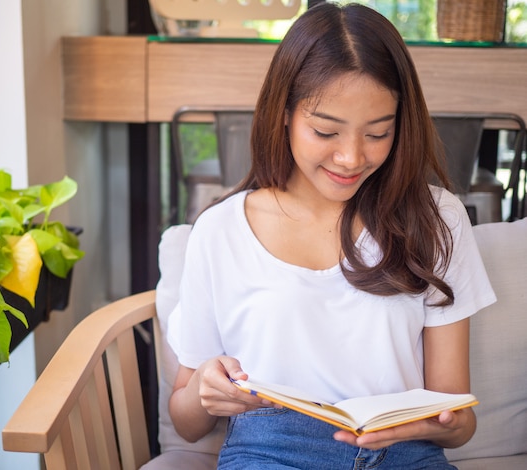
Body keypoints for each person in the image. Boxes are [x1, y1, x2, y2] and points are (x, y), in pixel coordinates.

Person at [167, 3, 497, 469]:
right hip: (271, 449)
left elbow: (458, 422)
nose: (351, 157)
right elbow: (186, 421)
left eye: (378, 133)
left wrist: (443, 421)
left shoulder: (435, 217)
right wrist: (205, 387)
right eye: (326, 131)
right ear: (283, 113)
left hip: (403, 453)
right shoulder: (221, 230)